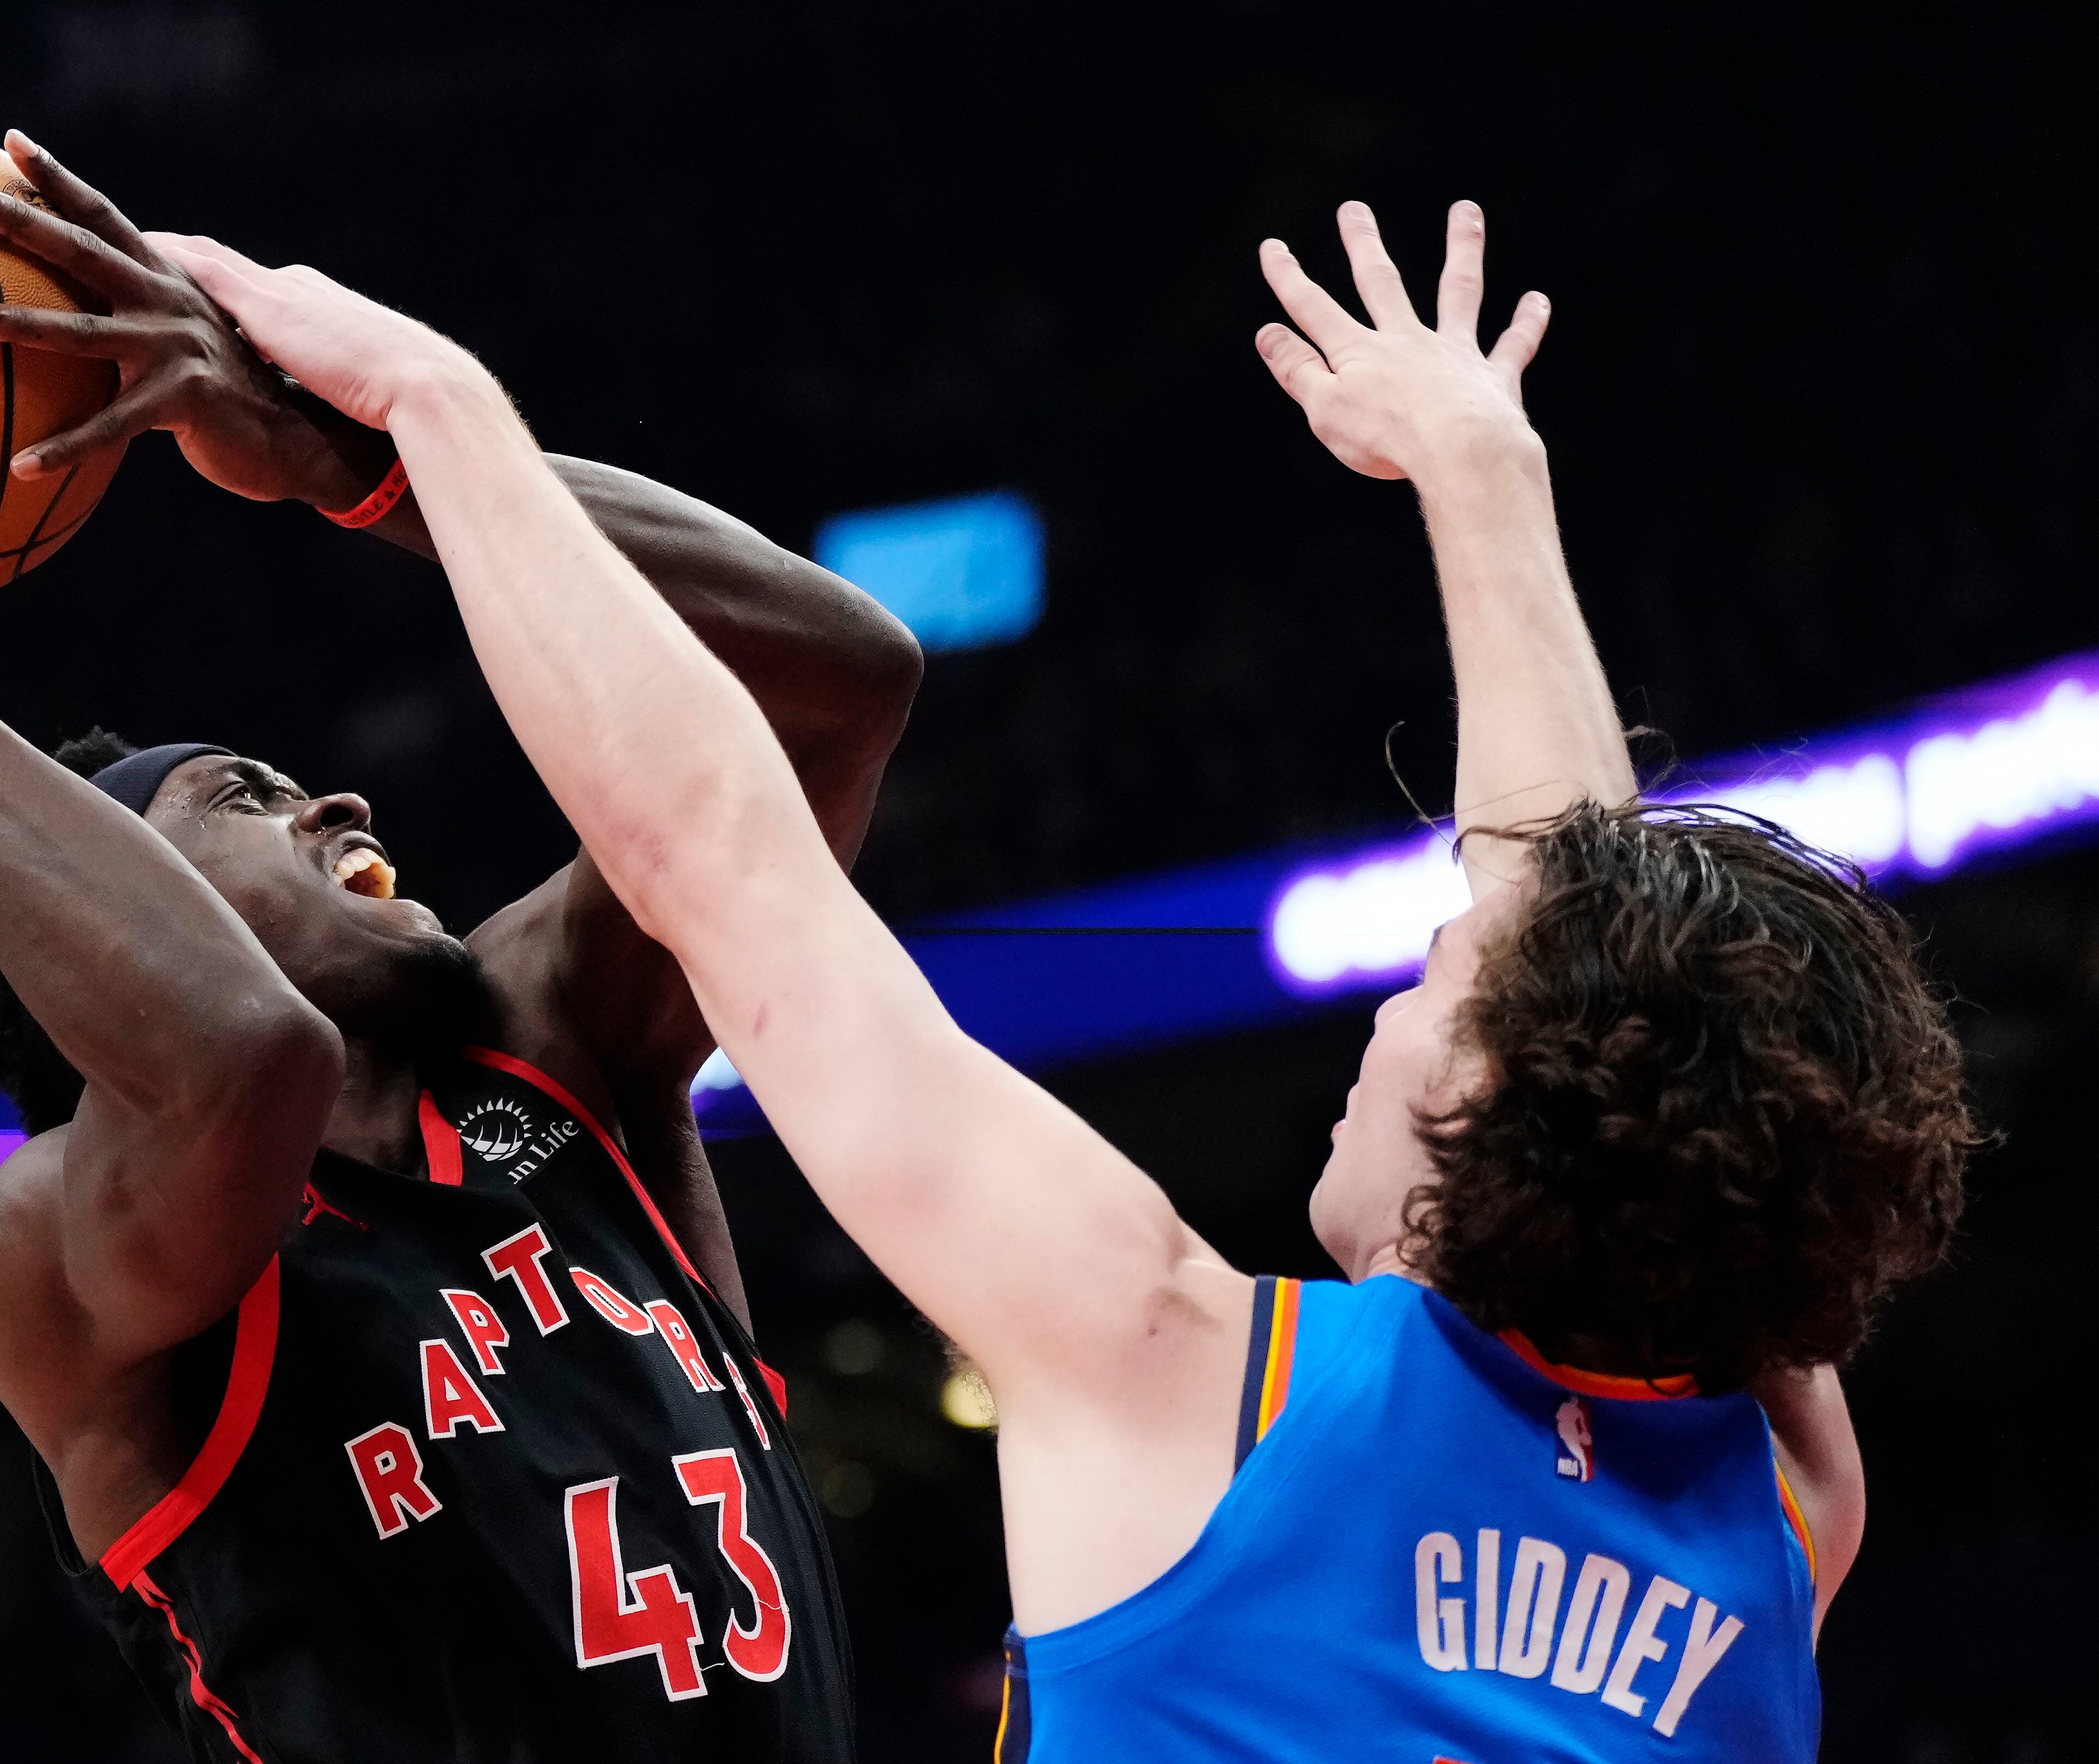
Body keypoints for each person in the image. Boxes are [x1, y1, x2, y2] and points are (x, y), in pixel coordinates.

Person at [170, 198, 1973, 1760]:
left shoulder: (1194, 1373)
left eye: (1432, 982)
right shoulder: (1782, 1500)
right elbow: (1598, 963)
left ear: (1488, 1108)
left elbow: (723, 859)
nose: (1384, 1009)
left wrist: (431, 411)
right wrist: (1484, 479)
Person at [0, 132, 921, 1763]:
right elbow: (243, 1054)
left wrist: (357, 465)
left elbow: (842, 683)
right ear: (124, 899)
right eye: (243, 796)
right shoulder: (57, 1252)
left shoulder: (555, 1051)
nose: (334, 793)